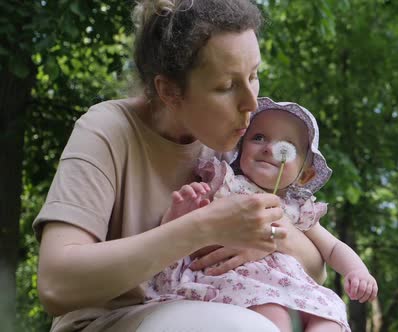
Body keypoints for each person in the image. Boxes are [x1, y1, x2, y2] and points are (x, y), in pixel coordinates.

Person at [33, 1, 327, 331]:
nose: (251, 102)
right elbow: (56, 285)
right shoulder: (105, 130)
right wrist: (202, 227)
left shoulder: (240, 142)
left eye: (254, 75)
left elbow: (316, 268)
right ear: (170, 91)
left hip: (211, 308)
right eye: (227, 86)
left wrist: (270, 235)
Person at [145, 97, 378, 332]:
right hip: (243, 282)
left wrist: (357, 271)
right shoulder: (227, 184)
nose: (268, 147)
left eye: (287, 145)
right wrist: (182, 210)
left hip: (297, 288)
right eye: (258, 138)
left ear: (305, 176)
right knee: (272, 316)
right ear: (241, 147)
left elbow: (333, 248)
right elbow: (193, 231)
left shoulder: (298, 208)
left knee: (330, 317)